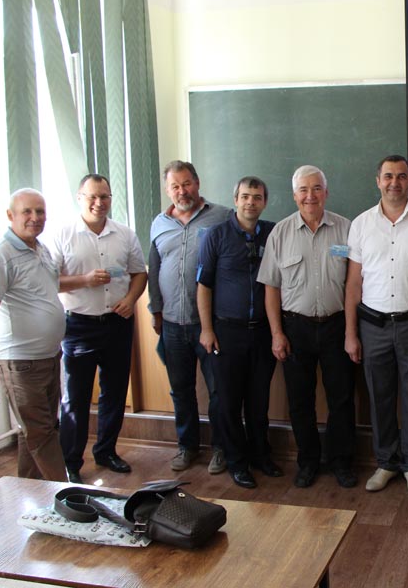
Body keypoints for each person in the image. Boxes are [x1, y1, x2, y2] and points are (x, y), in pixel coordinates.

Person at [344, 154, 408, 496]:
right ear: (378, 181)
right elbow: (354, 283)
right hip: (372, 325)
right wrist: (350, 333)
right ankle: (386, 462)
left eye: (401, 176)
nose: (394, 182)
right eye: (388, 176)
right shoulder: (361, 224)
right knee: (380, 396)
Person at [258, 165, 357, 489]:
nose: (310, 196)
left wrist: (351, 332)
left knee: (341, 399)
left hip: (337, 326)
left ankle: (341, 461)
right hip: (295, 329)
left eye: (316, 189)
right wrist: (277, 333)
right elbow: (271, 287)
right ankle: (308, 462)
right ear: (294, 195)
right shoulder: (280, 233)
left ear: (326, 193)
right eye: (303, 189)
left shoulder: (346, 229)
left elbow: (355, 284)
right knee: (300, 402)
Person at [51, 174, 147, 484]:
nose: (99, 202)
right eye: (92, 196)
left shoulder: (125, 234)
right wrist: (85, 280)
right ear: (79, 198)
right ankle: (71, 462)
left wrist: (131, 300)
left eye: (104, 196)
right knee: (75, 399)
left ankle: (106, 451)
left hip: (118, 323)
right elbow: (49, 280)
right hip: (78, 325)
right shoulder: (63, 234)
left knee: (115, 393)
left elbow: (139, 274)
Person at [0, 189, 67, 481]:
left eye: (40, 211)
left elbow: (48, 289)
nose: (35, 218)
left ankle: (27, 491)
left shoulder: (40, 248)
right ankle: (70, 496)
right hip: (20, 361)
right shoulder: (1, 255)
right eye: (27, 212)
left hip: (48, 356)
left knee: (34, 431)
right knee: (41, 433)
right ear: (10, 215)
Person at [196, 176, 282, 489]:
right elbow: (204, 286)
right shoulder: (216, 235)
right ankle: (236, 461)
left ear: (264, 202)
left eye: (257, 197)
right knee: (229, 402)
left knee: (259, 400)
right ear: (235, 200)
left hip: (262, 331)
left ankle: (261, 455)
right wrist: (207, 329)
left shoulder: (273, 233)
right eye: (245, 196)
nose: (250, 202)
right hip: (226, 331)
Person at [148, 160, 229, 473]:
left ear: (197, 183)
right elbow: (154, 269)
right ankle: (187, 446)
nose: (182, 191)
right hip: (171, 324)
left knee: (218, 391)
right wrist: (155, 310)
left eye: (187, 184)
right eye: (175, 186)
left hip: (210, 324)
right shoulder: (158, 224)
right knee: (181, 390)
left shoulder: (222, 216)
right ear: (167, 190)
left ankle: (221, 448)